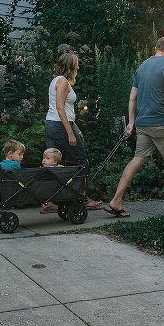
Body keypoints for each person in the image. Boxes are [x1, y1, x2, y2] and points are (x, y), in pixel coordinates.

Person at [105, 36, 164, 218]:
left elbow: (132, 97)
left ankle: (116, 201)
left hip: (142, 124)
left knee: (139, 158)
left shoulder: (142, 66)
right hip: (161, 122)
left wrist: (131, 122)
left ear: (155, 48)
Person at [44, 52, 104, 210]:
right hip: (60, 126)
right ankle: (82, 198)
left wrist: (76, 128)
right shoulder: (63, 82)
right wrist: (71, 133)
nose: (78, 66)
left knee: (52, 164)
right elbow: (60, 107)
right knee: (81, 162)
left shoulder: (55, 80)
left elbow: (67, 110)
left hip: (52, 125)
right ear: (70, 66)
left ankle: (50, 202)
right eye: (76, 63)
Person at [40, 148, 63, 214]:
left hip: (53, 189)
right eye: (44, 158)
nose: (44, 160)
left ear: (55, 162)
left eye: (47, 158)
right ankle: (48, 205)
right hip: (49, 189)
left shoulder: (58, 169)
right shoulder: (43, 169)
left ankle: (48, 205)